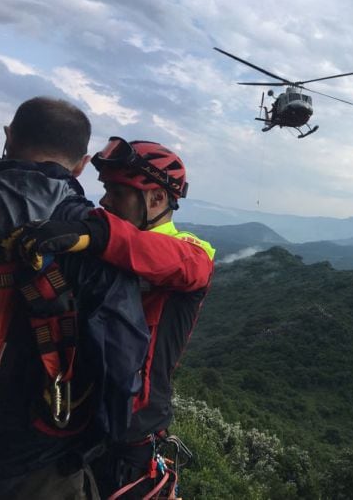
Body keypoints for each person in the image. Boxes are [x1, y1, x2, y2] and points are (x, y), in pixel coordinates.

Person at [16, 137, 215, 497]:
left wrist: (96, 233)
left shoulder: (190, 250)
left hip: (130, 444)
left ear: (156, 199)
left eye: (118, 192)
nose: (104, 202)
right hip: (71, 427)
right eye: (105, 190)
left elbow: (184, 265)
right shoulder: (98, 249)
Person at [0, 97, 151, 499]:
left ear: (8, 137)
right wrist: (92, 444)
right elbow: (121, 360)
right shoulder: (93, 238)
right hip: (35, 456)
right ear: (81, 163)